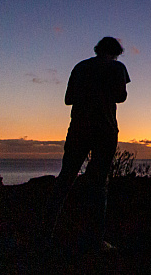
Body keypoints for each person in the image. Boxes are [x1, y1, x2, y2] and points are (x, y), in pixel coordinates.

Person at [44, 36, 130, 252]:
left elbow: (68, 99)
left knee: (65, 178)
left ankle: (45, 233)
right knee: (99, 184)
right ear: (115, 52)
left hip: (79, 128)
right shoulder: (117, 67)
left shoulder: (80, 67)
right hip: (105, 129)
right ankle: (95, 240)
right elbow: (121, 97)